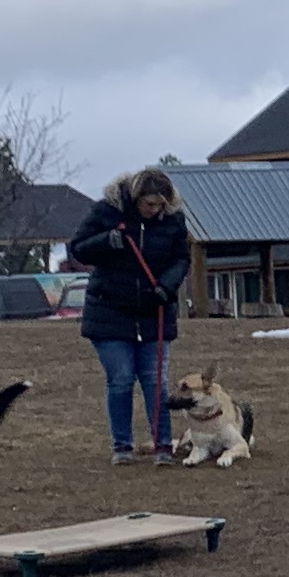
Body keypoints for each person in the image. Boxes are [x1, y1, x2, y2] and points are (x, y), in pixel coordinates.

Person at [68, 167, 191, 463]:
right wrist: (105, 242)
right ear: (136, 199)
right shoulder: (106, 212)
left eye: (160, 205)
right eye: (149, 204)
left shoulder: (173, 219)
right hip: (110, 313)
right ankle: (122, 446)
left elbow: (181, 258)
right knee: (121, 379)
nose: (155, 210)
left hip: (154, 312)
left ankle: (163, 446)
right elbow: (79, 250)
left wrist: (167, 286)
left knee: (155, 381)